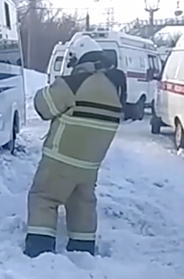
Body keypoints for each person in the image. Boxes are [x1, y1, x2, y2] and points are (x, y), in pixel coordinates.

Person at [24, 37, 127, 258]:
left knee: (44, 198)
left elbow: (43, 107)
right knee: (82, 203)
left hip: (60, 160)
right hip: (90, 165)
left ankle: (39, 253)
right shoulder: (116, 88)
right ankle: (83, 251)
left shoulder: (76, 83)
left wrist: (51, 87)